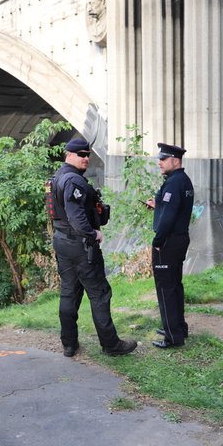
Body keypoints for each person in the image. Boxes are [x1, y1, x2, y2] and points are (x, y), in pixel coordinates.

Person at [49, 138, 137, 358]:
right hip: (80, 246)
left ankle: (69, 344)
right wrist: (92, 233)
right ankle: (111, 345)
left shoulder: (56, 178)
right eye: (81, 155)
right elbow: (75, 216)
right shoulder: (74, 181)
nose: (86, 158)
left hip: (62, 242)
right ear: (69, 155)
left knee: (69, 292)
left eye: (88, 155)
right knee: (99, 294)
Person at [145, 143, 194, 349]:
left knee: (165, 288)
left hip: (168, 241)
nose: (159, 162)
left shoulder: (174, 183)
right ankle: (177, 327)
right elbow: (174, 207)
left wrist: (157, 241)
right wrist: (159, 206)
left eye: (163, 159)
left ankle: (173, 337)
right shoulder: (182, 180)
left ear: (175, 160)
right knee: (174, 285)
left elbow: (169, 217)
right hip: (179, 238)